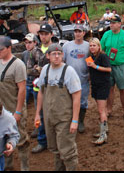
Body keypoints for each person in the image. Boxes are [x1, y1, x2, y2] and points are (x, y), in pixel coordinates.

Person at [0, 36, 29, 170]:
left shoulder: (18, 65)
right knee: (2, 139)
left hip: (13, 107)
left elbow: (22, 89)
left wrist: (18, 111)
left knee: (20, 139)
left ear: (9, 48)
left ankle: (24, 166)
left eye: (1, 50)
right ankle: (7, 166)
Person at [35, 43, 82, 171]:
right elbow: (41, 92)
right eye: (53, 54)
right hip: (49, 117)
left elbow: (77, 96)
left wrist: (75, 120)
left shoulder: (69, 71)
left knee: (67, 151)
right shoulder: (45, 69)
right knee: (55, 149)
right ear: (48, 56)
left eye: (59, 54)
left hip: (64, 118)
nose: (56, 56)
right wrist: (37, 114)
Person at [100, 16, 124, 122]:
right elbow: (101, 49)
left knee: (123, 89)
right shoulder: (106, 35)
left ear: (119, 24)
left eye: (114, 23)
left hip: (121, 66)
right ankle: (109, 110)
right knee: (110, 89)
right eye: (110, 23)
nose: (111, 25)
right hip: (109, 66)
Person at [29, 24, 54, 154]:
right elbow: (29, 68)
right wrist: (35, 70)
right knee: (40, 114)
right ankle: (42, 141)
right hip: (39, 86)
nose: (43, 36)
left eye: (46, 34)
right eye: (41, 34)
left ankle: (53, 140)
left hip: (53, 87)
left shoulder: (55, 49)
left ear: (51, 34)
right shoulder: (35, 50)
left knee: (54, 113)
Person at [63, 25, 90, 133]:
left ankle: (81, 121)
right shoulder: (67, 46)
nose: (78, 34)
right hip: (69, 79)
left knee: (82, 101)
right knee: (68, 101)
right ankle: (71, 120)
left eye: (80, 31)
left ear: (84, 33)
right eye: (76, 31)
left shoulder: (88, 46)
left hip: (83, 78)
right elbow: (63, 61)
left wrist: (90, 74)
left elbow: (90, 61)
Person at [20, 33, 46, 140]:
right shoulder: (25, 54)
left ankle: (39, 129)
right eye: (26, 43)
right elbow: (23, 68)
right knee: (21, 106)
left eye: (30, 42)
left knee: (38, 109)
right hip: (26, 83)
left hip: (36, 84)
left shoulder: (38, 53)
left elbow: (41, 69)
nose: (27, 45)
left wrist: (31, 70)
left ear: (35, 42)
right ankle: (22, 128)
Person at [86, 38, 112, 145]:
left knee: (101, 110)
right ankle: (104, 129)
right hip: (95, 85)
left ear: (98, 46)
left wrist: (95, 66)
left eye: (94, 45)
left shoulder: (102, 56)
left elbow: (109, 69)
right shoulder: (91, 57)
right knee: (102, 109)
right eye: (90, 46)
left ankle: (103, 135)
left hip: (103, 85)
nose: (92, 47)